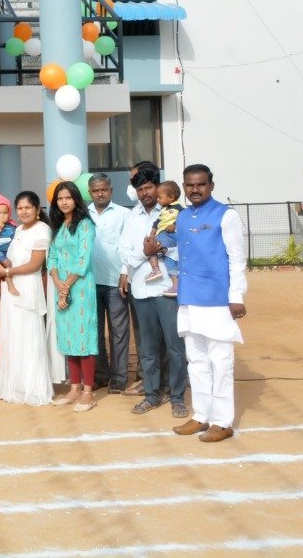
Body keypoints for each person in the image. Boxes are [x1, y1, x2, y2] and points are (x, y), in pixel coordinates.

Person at [151, 164, 249, 443]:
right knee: (196, 361)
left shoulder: (226, 215)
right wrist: (155, 246)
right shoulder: (182, 217)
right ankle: (201, 415)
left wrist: (236, 296)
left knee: (221, 362)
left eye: (201, 184)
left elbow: (237, 258)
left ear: (211, 186)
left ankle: (222, 422)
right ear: (184, 186)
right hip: (189, 298)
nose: (195, 190)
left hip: (217, 299)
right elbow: (177, 246)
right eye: (190, 185)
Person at [120, 168, 189, 420]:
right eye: (140, 189)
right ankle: (151, 394)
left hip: (168, 289)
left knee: (174, 346)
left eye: (148, 187)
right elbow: (125, 254)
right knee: (147, 348)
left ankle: (177, 396)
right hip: (141, 288)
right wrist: (146, 252)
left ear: (157, 187)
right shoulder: (132, 217)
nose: (144, 193)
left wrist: (159, 248)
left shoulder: (174, 212)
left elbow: (183, 247)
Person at [0, 191, 53, 406]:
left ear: (36, 209)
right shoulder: (17, 229)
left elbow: (35, 264)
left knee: (29, 336)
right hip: (10, 289)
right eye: (20, 208)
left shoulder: (42, 230)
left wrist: (7, 272)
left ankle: (32, 389)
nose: (24, 211)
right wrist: (2, 276)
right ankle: (14, 386)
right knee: (12, 336)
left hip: (27, 287)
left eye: (28, 207)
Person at [48, 182, 99, 412]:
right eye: (60, 198)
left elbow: (83, 259)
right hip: (61, 287)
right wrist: (58, 283)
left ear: (76, 199)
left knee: (84, 336)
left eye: (68, 197)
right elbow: (52, 257)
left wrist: (66, 286)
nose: (64, 202)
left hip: (80, 287)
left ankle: (88, 392)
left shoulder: (85, 224)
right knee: (68, 336)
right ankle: (74, 388)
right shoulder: (58, 225)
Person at [86, 173, 130, 393]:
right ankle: (100, 375)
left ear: (111, 190)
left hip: (115, 282)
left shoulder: (124, 214)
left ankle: (119, 378)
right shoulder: (83, 214)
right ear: (89, 192)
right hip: (89, 283)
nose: (100, 194)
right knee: (94, 331)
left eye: (103, 189)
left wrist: (125, 272)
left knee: (118, 331)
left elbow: (129, 246)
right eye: (95, 190)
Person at [146, 180, 183, 296]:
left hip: (170, 235)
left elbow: (184, 218)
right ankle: (176, 286)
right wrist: (153, 229)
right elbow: (158, 221)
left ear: (171, 197)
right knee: (169, 261)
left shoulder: (179, 208)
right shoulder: (163, 209)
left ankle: (156, 269)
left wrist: (174, 225)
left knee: (150, 247)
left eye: (159, 197)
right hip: (163, 235)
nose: (157, 200)